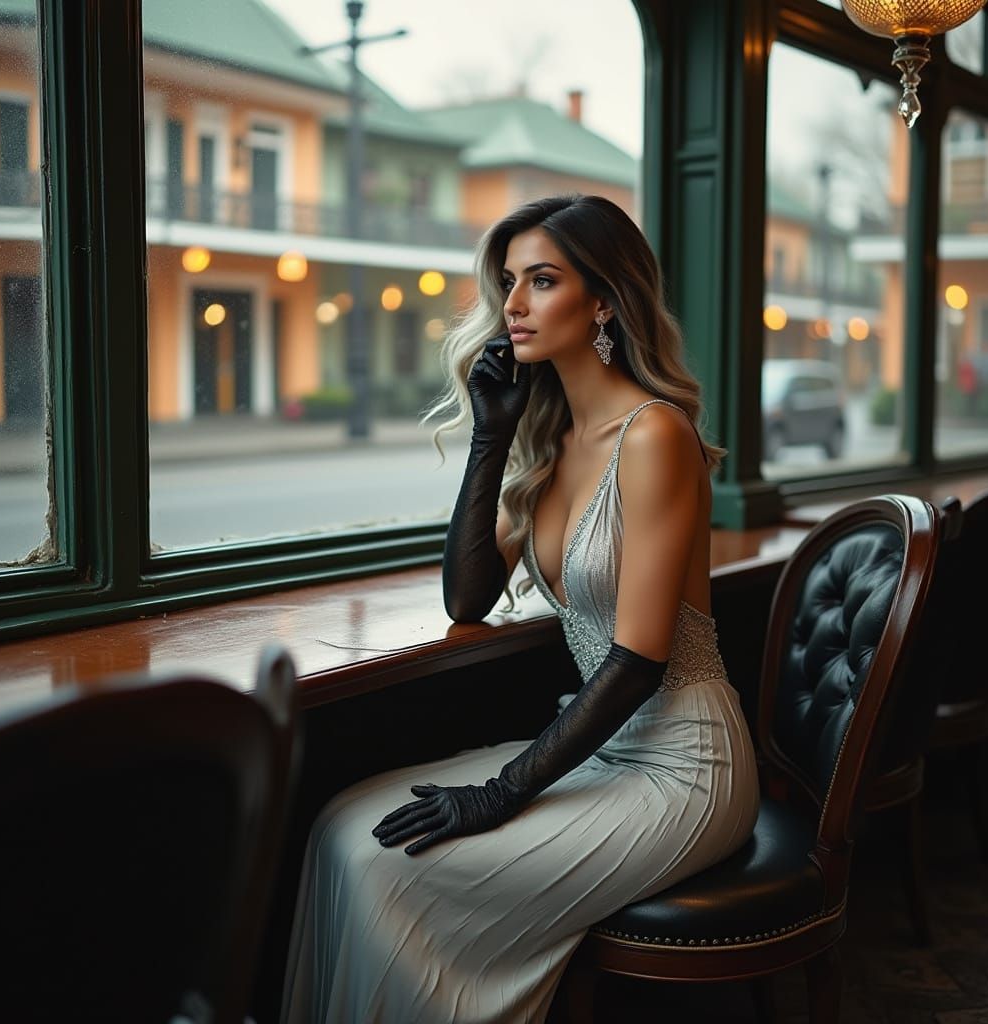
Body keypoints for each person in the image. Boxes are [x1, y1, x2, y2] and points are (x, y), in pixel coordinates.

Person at [280, 194, 759, 1024]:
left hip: (688, 766)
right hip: (604, 752)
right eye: (509, 282)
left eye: (543, 280)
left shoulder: (655, 435)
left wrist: (499, 796)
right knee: (337, 832)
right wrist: (490, 438)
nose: (512, 306)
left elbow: (640, 661)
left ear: (603, 299)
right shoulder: (552, 441)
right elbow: (466, 596)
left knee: (385, 866)